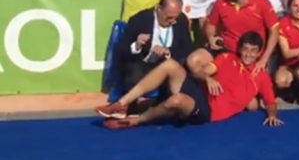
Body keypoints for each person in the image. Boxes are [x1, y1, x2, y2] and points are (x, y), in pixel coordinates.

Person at [96, 32, 283, 128]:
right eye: (245, 49)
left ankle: (137, 121)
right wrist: (207, 78)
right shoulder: (227, 59)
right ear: (240, 48)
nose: (248, 54)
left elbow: (270, 102)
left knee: (177, 101)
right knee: (170, 65)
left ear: (259, 52)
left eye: (253, 51)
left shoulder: (262, 76)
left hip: (207, 111)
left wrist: (272, 115)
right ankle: (121, 103)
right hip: (199, 89)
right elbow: (202, 72)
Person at [191, 0, 280, 80]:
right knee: (194, 61)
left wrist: (264, 59)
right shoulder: (221, 2)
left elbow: (274, 30)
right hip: (225, 51)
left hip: (251, 56)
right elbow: (211, 24)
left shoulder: (261, 3)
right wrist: (211, 38)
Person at [113, 0, 193, 95]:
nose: (172, 21)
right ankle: (133, 103)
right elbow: (121, 49)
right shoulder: (140, 20)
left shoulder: (181, 20)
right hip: (145, 64)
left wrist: (169, 52)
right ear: (158, 9)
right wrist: (137, 45)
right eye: (169, 17)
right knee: (133, 71)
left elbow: (187, 47)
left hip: (169, 65)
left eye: (175, 17)